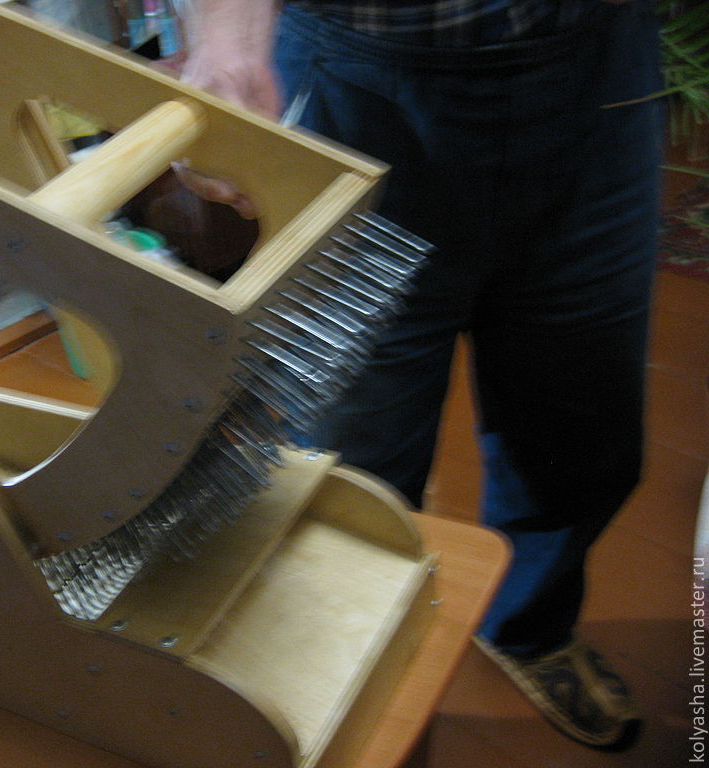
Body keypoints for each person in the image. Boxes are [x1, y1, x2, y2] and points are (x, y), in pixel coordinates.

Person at [178, 0, 664, 750]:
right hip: (358, 84)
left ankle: (528, 624)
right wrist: (227, 40)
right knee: (352, 462)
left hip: (596, 74)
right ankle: (347, 684)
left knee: (581, 429)